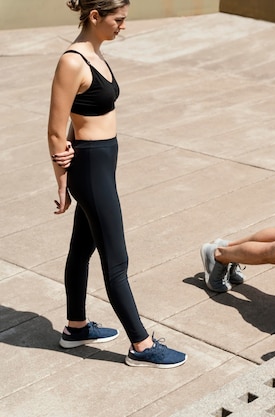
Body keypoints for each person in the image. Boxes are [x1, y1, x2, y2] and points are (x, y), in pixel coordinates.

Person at [47, 0, 186, 368]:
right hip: (91, 168)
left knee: (82, 249)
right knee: (116, 260)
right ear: (95, 16)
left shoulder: (95, 54)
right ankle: (141, 345)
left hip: (99, 165)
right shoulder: (72, 61)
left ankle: (75, 327)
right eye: (118, 20)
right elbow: (55, 128)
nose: (123, 26)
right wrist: (64, 183)